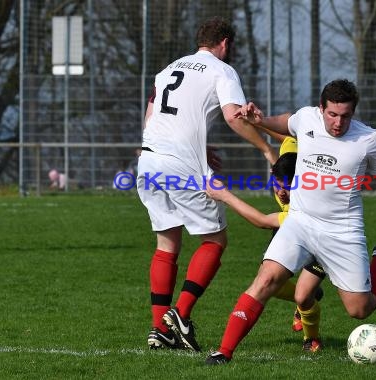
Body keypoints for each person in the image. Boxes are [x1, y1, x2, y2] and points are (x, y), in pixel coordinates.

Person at [205, 79, 376, 365]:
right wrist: (260, 120)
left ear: (353, 113)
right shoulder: (307, 117)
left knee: (359, 310)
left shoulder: (368, 139)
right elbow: (287, 123)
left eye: (345, 116)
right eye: (332, 114)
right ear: (321, 108)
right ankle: (224, 352)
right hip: (300, 222)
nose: (338, 122)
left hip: (342, 231)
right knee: (266, 279)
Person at [136, 17, 277, 352]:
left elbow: (152, 116)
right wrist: (267, 150)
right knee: (215, 240)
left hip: (148, 159)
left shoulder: (168, 69)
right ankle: (181, 315)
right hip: (181, 165)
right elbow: (232, 116)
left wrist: (198, 145)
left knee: (166, 244)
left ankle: (160, 329)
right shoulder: (221, 70)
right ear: (225, 43)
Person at [206, 152, 326, 352]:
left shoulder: (303, 208)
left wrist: (224, 195)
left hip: (324, 241)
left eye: (286, 188)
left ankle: (310, 339)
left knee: (310, 298)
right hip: (292, 232)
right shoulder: (288, 162)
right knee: (273, 285)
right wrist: (257, 124)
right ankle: (310, 293)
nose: (280, 192)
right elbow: (286, 134)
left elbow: (261, 221)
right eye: (277, 184)